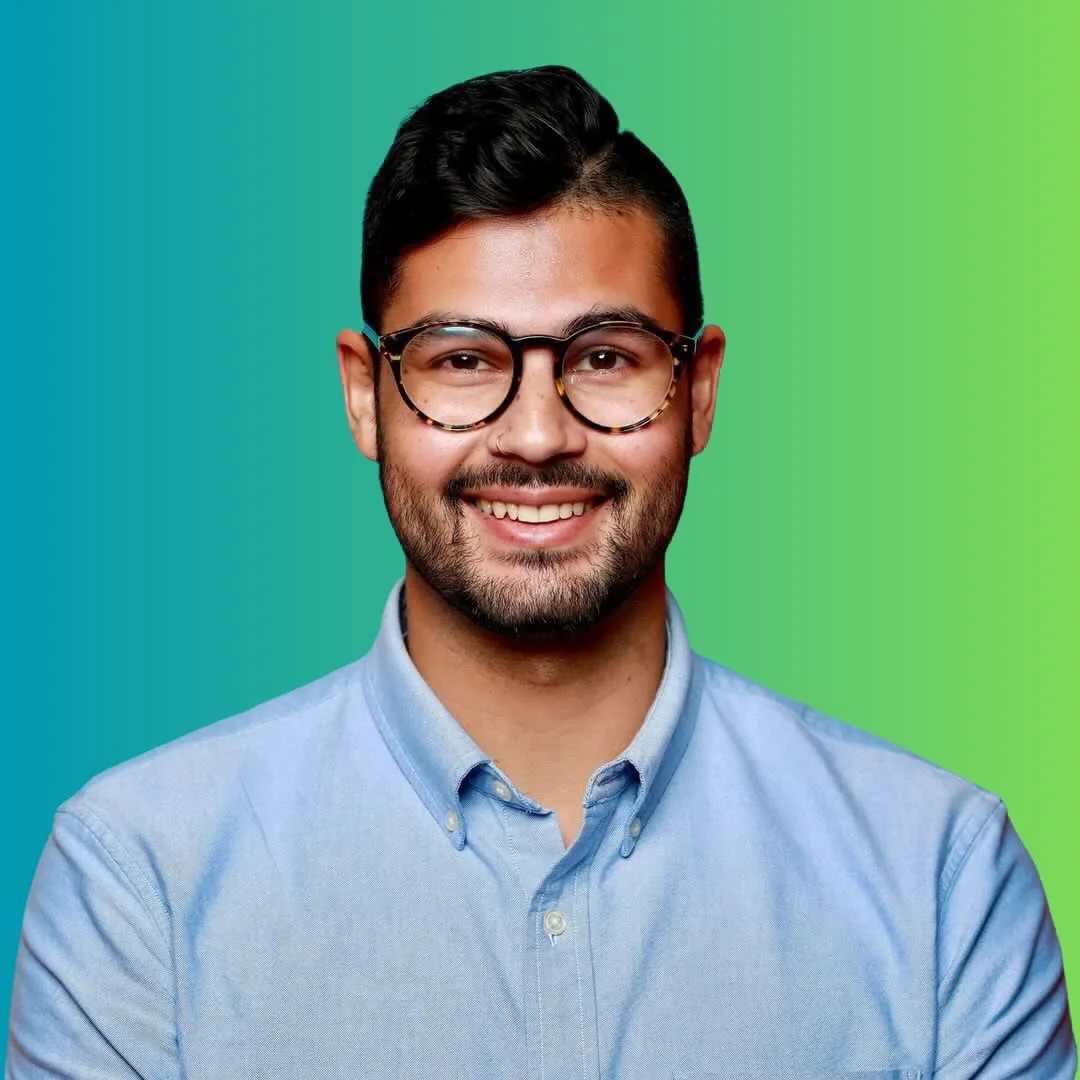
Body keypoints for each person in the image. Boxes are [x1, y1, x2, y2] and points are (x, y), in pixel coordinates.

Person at [7, 65, 1073, 1079]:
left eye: (604, 356)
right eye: (462, 359)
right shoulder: (140, 876)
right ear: (364, 396)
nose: (534, 435)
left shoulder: (939, 875)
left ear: (698, 390)